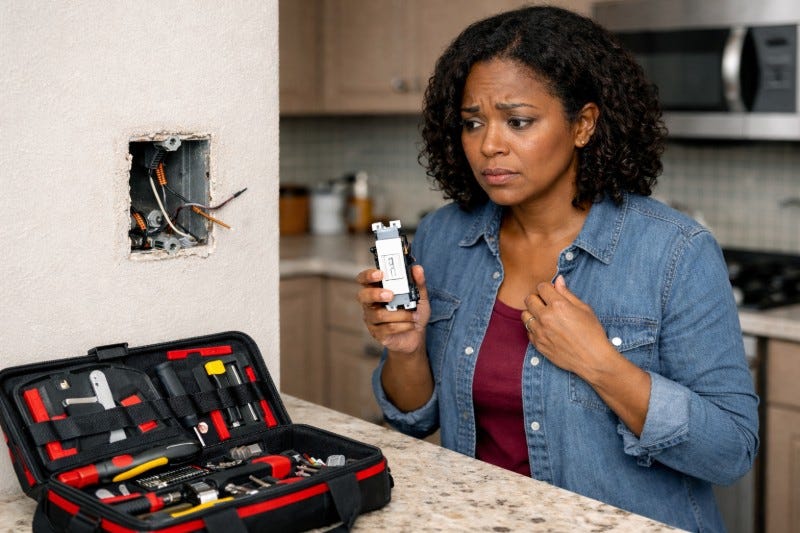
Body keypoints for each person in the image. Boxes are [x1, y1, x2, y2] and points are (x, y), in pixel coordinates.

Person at [356, 5, 759, 532]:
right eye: (472, 123)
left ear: (583, 125)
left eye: (518, 121)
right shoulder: (444, 236)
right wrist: (405, 349)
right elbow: (413, 418)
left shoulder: (675, 252)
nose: (489, 145)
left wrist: (600, 363)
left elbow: (730, 451)